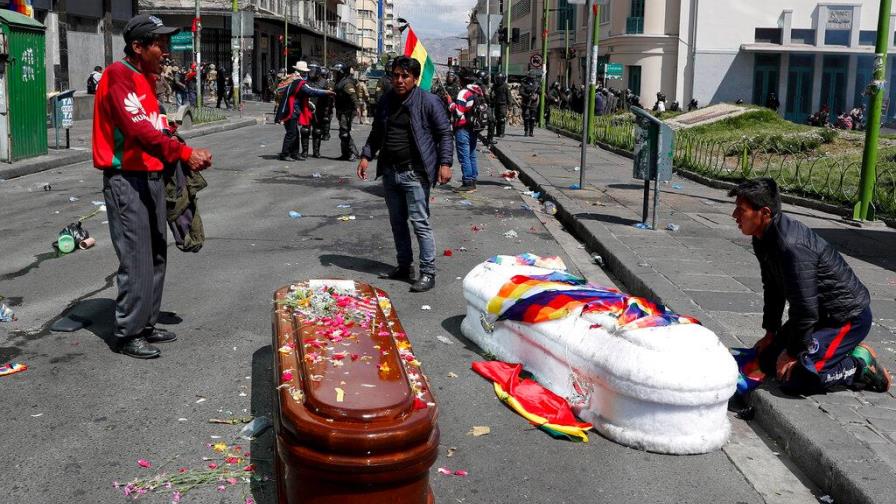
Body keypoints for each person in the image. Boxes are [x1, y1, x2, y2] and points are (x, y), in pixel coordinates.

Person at [93, 14, 212, 359]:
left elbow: (154, 125)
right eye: (159, 43)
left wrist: (172, 135)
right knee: (136, 257)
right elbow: (138, 130)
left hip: (152, 177)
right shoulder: (118, 76)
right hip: (126, 179)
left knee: (157, 253)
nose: (165, 50)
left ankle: (146, 323)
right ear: (137, 47)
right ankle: (128, 333)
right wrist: (184, 153)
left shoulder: (145, 80)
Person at [729, 178, 890, 394]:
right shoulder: (762, 237)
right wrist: (771, 332)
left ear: (764, 213)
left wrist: (793, 353)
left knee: (796, 378)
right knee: (766, 361)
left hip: (846, 319)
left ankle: (859, 365)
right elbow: (773, 288)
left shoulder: (791, 247)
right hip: (818, 317)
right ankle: (834, 352)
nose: (734, 215)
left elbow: (805, 308)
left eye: (741, 210)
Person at [357, 56, 453, 293]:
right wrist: (366, 155)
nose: (399, 80)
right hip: (390, 172)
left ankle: (428, 272)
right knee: (397, 222)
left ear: (415, 79)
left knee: (420, 223)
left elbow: (444, 133)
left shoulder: (429, 101)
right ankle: (404, 266)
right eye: (396, 75)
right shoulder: (386, 100)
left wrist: (445, 163)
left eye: (405, 76)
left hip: (415, 173)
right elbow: (377, 132)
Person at [274, 61, 334, 161]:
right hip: (291, 110)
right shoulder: (298, 82)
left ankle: (295, 153)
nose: (307, 73)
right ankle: (284, 154)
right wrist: (325, 92)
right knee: (292, 133)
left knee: (296, 133)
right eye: (305, 71)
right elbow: (311, 91)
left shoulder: (293, 79)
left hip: (296, 110)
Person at [450, 70, 487, 193]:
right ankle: (473, 178)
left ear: (462, 80)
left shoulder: (463, 92)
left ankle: (467, 182)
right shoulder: (477, 90)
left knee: (464, 156)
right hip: (473, 127)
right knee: (471, 154)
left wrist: (450, 103)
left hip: (463, 127)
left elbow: (458, 112)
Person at [331, 62, 361, 161]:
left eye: (336, 72)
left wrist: (357, 107)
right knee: (343, 133)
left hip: (347, 110)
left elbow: (353, 96)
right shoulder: (339, 81)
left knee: (344, 133)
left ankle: (352, 153)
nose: (334, 74)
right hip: (341, 109)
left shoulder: (347, 83)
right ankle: (345, 154)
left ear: (341, 72)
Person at [491, 72, 512, 138]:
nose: (497, 80)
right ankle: (498, 132)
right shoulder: (495, 85)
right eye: (496, 79)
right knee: (497, 119)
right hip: (496, 103)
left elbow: (509, 96)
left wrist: (510, 105)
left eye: (498, 79)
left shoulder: (505, 86)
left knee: (502, 119)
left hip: (503, 104)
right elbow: (491, 94)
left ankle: (501, 133)